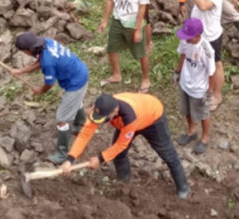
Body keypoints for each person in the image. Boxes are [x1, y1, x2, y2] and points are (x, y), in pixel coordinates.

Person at [62, 92, 190, 199]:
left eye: (105, 119)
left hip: (153, 118)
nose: (101, 121)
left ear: (115, 111)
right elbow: (85, 134)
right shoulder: (98, 110)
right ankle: (124, 184)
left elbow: (121, 145)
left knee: (168, 154)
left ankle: (183, 189)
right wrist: (70, 159)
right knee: (119, 156)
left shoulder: (129, 115)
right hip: (127, 123)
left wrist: (100, 159)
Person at [11, 32, 89, 164]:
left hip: (76, 83)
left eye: (23, 52)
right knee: (74, 102)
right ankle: (80, 127)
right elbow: (40, 62)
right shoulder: (46, 42)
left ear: (27, 50)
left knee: (62, 119)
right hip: (79, 72)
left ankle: (62, 154)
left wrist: (40, 91)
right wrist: (22, 71)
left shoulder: (48, 62)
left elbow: (49, 83)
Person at [98, 0, 151, 92]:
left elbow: (142, 7)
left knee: (141, 52)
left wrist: (138, 29)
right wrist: (105, 20)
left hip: (133, 21)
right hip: (117, 19)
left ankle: (146, 79)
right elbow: (110, 0)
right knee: (112, 48)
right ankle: (116, 75)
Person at [186, 0, 226, 110]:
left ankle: (217, 95)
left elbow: (203, 6)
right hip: (198, 33)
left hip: (211, 34)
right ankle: (205, 89)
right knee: (202, 63)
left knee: (216, 64)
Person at [173, 18, 216, 155]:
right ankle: (191, 131)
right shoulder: (185, 41)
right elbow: (183, 55)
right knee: (186, 110)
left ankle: (205, 137)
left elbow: (211, 72)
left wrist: (209, 92)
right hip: (185, 82)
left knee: (203, 114)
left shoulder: (207, 50)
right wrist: (178, 72)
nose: (185, 40)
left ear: (197, 36)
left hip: (199, 88)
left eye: (189, 37)